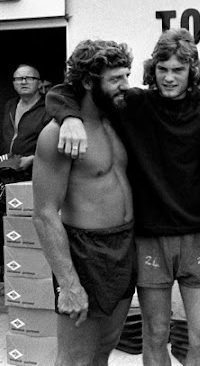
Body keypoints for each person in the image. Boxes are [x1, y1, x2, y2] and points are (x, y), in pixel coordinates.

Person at [45, 28, 200, 366]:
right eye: (162, 69)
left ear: (192, 71)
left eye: (178, 70)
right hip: (149, 239)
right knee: (155, 334)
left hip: (199, 236)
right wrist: (69, 116)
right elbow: (67, 90)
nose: (169, 77)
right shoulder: (133, 103)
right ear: (153, 69)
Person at [33, 39, 135, 365]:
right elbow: (44, 214)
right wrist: (69, 284)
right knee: (76, 359)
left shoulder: (118, 118)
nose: (125, 85)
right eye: (116, 79)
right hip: (86, 252)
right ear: (89, 82)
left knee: (104, 349)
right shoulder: (57, 135)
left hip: (124, 245)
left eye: (126, 76)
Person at [1, 64, 50, 183]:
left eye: (29, 78)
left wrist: (33, 159)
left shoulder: (48, 107)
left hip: (36, 174)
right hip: (7, 173)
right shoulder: (10, 106)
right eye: (19, 79)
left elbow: (55, 144)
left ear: (39, 83)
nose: (23, 82)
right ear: (13, 83)